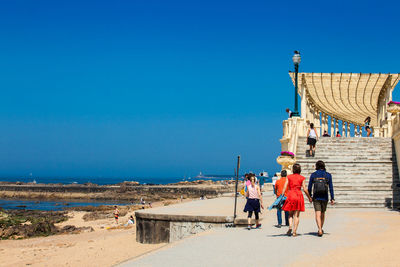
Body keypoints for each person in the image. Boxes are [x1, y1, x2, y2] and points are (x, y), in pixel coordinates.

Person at [281, 164, 312, 237]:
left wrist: (282, 195)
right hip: (298, 195)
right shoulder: (302, 178)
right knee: (297, 215)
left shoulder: (289, 177)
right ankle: (294, 231)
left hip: (290, 194)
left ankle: (290, 227)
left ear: (293, 169)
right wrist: (309, 197)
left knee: (290, 214)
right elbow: (304, 189)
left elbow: (285, 186)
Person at [308, 160, 335, 237]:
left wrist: (310, 196)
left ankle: (319, 229)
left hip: (316, 197)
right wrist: (332, 198)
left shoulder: (313, 175)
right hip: (325, 196)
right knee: (322, 213)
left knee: (317, 213)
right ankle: (321, 228)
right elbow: (331, 187)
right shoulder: (328, 175)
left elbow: (309, 187)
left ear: (316, 166)